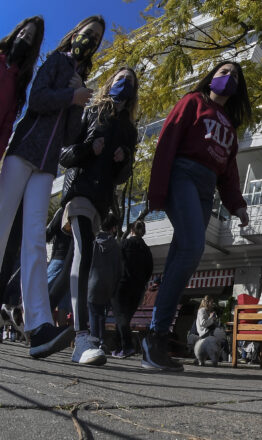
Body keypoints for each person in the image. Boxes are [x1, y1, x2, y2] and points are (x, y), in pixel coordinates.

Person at [0, 15, 103, 359]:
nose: (89, 39)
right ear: (75, 33)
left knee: (34, 242)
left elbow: (71, 136)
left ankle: (38, 326)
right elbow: (39, 99)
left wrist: (78, 101)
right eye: (87, 33)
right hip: (23, 150)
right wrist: (71, 95)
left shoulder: (80, 78)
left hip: (46, 166)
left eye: (96, 38)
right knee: (0, 227)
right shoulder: (56, 62)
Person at [144, 61, 252, 372]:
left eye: (234, 75)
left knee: (186, 256)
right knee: (192, 247)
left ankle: (157, 338)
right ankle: (155, 337)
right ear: (211, 77)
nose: (228, 77)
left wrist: (238, 205)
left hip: (207, 190)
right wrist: (157, 192)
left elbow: (229, 174)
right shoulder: (192, 101)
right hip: (183, 176)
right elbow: (167, 142)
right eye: (223, 71)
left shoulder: (229, 127)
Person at [59, 66, 138, 365]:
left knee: (69, 263)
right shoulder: (92, 112)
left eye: (129, 82)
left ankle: (25, 309)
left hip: (101, 202)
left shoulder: (130, 129)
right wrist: (88, 149)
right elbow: (65, 154)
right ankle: (82, 338)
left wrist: (124, 160)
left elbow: (121, 177)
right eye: (120, 79)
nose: (124, 84)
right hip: (79, 191)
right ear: (109, 83)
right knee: (84, 254)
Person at [0, 16, 44, 156]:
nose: (22, 38)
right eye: (22, 33)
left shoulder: (18, 82)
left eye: (28, 37)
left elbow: (7, 124)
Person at [112, 221, 153, 358]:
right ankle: (119, 347)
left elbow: (116, 263)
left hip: (122, 284)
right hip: (137, 288)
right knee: (125, 318)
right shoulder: (146, 249)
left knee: (120, 315)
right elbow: (149, 270)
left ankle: (127, 346)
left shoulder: (124, 244)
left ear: (131, 230)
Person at [86, 215, 122, 349]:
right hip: (108, 285)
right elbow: (119, 268)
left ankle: (95, 342)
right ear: (113, 228)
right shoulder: (116, 246)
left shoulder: (94, 243)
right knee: (101, 314)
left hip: (93, 283)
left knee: (93, 313)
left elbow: (87, 263)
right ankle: (101, 341)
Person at [194, 295, 226, 366]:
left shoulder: (207, 311)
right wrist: (211, 318)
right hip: (204, 332)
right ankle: (218, 356)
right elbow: (203, 323)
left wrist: (214, 319)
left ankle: (217, 356)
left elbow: (210, 322)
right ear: (207, 302)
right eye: (212, 302)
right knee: (222, 338)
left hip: (209, 331)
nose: (212, 304)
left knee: (222, 337)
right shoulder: (202, 310)